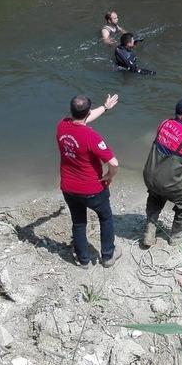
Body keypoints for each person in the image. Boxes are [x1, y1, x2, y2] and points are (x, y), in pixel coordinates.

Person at [57, 93, 122, 269]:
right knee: (105, 218)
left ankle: (83, 260)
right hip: (93, 190)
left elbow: (84, 117)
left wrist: (105, 107)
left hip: (69, 188)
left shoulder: (62, 125)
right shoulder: (91, 136)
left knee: (79, 222)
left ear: (71, 111)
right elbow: (114, 163)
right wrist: (110, 175)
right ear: (87, 113)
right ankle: (108, 256)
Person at [141, 98, 182, 247]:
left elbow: (168, 147)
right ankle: (176, 236)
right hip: (169, 182)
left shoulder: (164, 124)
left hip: (150, 175)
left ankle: (149, 232)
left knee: (156, 196)